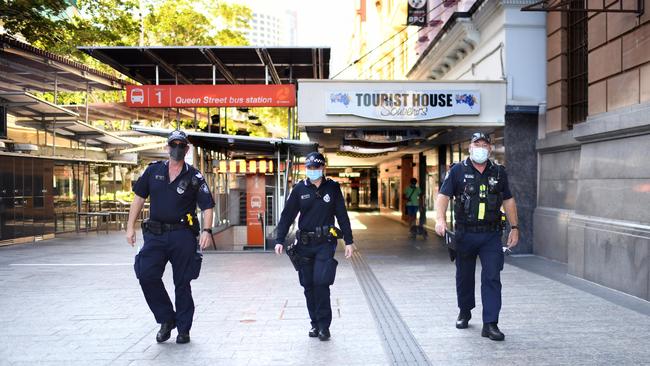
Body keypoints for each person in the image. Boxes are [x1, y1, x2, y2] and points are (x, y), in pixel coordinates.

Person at [125, 130, 215, 344]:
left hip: (182, 235)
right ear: (167, 147)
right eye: (173, 144)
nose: (176, 148)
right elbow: (138, 199)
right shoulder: (153, 171)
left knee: (182, 283)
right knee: (146, 274)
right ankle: (167, 319)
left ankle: (183, 329)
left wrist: (207, 230)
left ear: (187, 149)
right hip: (155, 235)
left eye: (180, 145)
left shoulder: (194, 176)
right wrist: (130, 227)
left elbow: (207, 206)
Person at [434, 132, 519, 341]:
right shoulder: (457, 171)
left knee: (492, 277)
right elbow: (443, 196)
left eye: (484, 144)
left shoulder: (499, 172)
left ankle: (490, 324)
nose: (480, 147)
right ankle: (465, 311)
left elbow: (508, 200)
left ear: (490, 149)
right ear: (469, 148)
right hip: (465, 233)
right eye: (476, 144)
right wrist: (440, 219)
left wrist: (514, 227)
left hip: (491, 234)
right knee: (464, 276)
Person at [274, 151, 354, 341]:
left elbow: (342, 215)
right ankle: (315, 324)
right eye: (309, 167)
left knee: (321, 283)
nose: (313, 171)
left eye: (316, 167)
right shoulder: (299, 189)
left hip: (325, 244)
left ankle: (324, 326)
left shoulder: (333, 188)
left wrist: (349, 241)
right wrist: (279, 239)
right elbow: (287, 215)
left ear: (323, 168)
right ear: (305, 168)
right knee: (308, 285)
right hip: (304, 244)